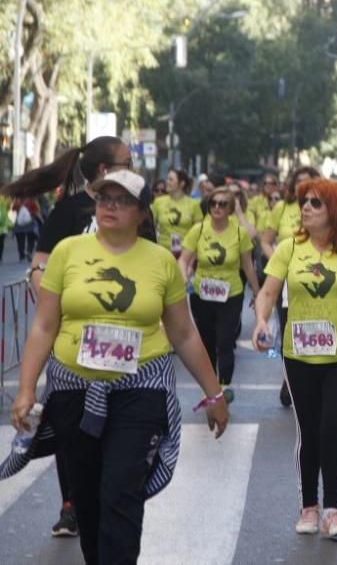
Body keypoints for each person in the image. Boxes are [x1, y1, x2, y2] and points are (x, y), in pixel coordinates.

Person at [6, 170, 228, 563]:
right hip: (74, 389)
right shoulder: (68, 252)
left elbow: (184, 334)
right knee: (87, 497)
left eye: (122, 200)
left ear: (142, 212)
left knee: (122, 491)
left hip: (140, 390)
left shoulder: (160, 262)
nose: (110, 206)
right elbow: (43, 326)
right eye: (104, 198)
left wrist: (213, 394)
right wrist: (26, 391)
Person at [3, 136, 142, 538]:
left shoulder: (137, 209)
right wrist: (55, 296)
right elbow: (39, 266)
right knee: (71, 427)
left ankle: (107, 497)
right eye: (127, 162)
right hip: (72, 344)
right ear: (104, 172)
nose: (133, 168)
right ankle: (72, 503)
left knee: (119, 429)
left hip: (126, 348)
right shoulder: (69, 212)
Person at [252, 178, 337, 539]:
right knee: (309, 429)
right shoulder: (289, 248)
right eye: (304, 202)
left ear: (335, 210)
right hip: (298, 354)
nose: (306, 209)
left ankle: (333, 509)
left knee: (332, 426)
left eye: (315, 203)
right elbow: (269, 290)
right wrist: (261, 320)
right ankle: (309, 506)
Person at [178, 187, 260, 402]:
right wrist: (183, 275)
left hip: (230, 294)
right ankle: (210, 385)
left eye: (223, 204)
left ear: (231, 209)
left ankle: (224, 385)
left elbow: (248, 266)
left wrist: (258, 293)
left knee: (225, 341)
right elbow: (184, 259)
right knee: (206, 341)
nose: (217, 207)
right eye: (213, 203)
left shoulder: (239, 233)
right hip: (202, 294)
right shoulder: (198, 230)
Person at [261, 166, 321, 407]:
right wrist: (280, 261)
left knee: (315, 328)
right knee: (288, 329)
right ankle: (290, 377)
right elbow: (265, 241)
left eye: (309, 182)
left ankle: (310, 377)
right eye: (299, 183)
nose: (303, 187)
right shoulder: (281, 208)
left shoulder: (325, 208)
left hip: (318, 278)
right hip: (286, 278)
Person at [151, 169, 203, 258]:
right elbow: (151, 227)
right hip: (163, 252)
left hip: (185, 254)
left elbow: (199, 232)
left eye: (171, 179)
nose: (167, 182)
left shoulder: (193, 204)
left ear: (181, 183)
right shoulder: (158, 202)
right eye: (167, 179)